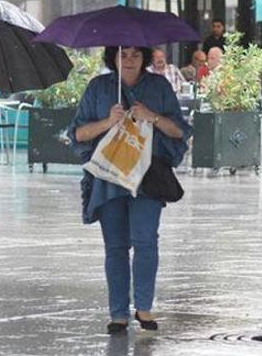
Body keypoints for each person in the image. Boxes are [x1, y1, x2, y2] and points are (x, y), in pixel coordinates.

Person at [70, 46, 191, 335]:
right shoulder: (99, 88)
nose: (129, 60)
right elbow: (77, 133)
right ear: (113, 56)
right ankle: (118, 314)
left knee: (146, 241)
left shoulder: (159, 86)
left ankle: (144, 307)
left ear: (145, 58)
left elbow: (180, 131)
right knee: (115, 247)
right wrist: (108, 122)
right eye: (124, 54)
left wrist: (152, 116)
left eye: (136, 54)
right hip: (108, 179)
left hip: (147, 179)